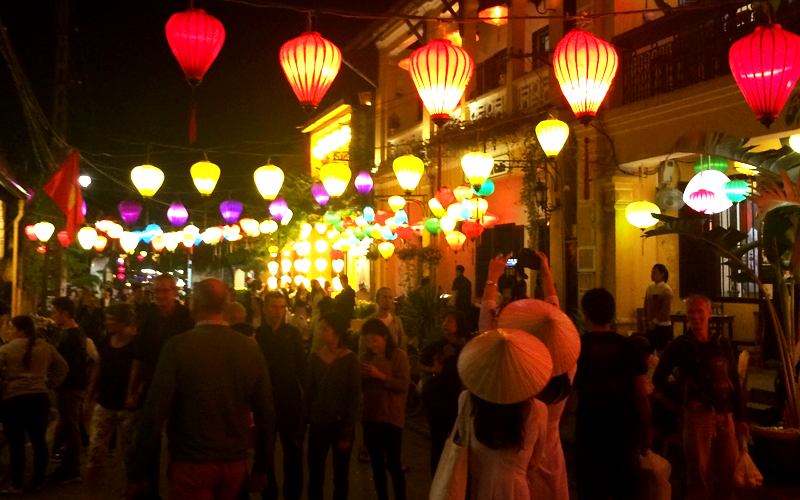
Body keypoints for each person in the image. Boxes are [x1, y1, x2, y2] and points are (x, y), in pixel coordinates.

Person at [127, 278, 276, 500]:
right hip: (234, 460)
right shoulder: (249, 348)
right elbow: (266, 413)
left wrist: (137, 470)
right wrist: (261, 466)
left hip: (191, 460)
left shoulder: (178, 347)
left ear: (194, 305)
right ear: (225, 306)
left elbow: (154, 412)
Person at [484, 252, 578, 500]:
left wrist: (493, 278)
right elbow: (554, 315)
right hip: (552, 453)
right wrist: (546, 273)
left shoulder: (524, 371)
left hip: (521, 455)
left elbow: (485, 332)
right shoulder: (567, 366)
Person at [653, 295, 746, 500]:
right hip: (698, 417)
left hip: (725, 414)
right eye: (691, 312)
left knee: (727, 472)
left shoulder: (721, 343)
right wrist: (684, 400)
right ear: (686, 316)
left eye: (700, 311)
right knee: (698, 476)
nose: (696, 317)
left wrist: (740, 417)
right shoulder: (680, 345)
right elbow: (659, 378)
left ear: (709, 314)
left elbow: (733, 380)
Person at [449, 329, 551, 499]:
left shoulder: (466, 400)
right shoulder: (537, 409)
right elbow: (535, 461)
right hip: (515, 490)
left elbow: (464, 443)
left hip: (477, 488)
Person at [574, 288, 651, 500]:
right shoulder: (628, 346)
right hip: (624, 432)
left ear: (586, 312)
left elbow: (568, 394)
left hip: (590, 433)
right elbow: (640, 394)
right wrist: (645, 431)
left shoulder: (577, 347)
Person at [126, 274, 194, 499]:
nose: (161, 296)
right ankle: (149, 489)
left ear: (175, 292)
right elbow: (139, 356)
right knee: (149, 441)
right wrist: (132, 390)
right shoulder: (148, 318)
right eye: (157, 291)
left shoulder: (187, 318)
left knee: (181, 441)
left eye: (165, 291)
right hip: (153, 384)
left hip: (181, 388)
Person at [0, 316, 68, 494]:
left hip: (14, 399)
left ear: (20, 331)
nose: (8, 331)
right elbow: (63, 366)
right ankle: (37, 481)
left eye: (11, 328)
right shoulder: (45, 346)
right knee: (38, 440)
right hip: (39, 397)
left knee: (16, 443)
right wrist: (51, 383)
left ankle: (16, 484)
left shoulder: (7, 348)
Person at [83, 303, 140, 500]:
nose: (106, 322)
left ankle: (128, 490)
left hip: (127, 406)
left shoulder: (136, 343)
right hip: (105, 402)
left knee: (128, 452)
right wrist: (88, 398)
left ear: (122, 321)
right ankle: (91, 493)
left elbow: (143, 372)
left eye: (110, 319)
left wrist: (135, 395)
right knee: (95, 450)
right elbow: (98, 368)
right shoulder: (105, 340)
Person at [255, 291, 306, 500]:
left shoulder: (292, 333)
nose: (278, 311)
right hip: (264, 401)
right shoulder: (258, 335)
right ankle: (269, 494)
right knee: (265, 453)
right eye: (274, 307)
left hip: (290, 401)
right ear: (265, 309)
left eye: (282, 307)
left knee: (293, 453)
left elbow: (302, 367)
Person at [304, 313, 360, 500]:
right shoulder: (315, 358)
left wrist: (347, 432)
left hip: (340, 424)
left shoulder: (350, 359)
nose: (320, 332)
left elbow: (353, 397)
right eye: (320, 328)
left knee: (341, 474)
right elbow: (309, 395)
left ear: (335, 332)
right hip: (318, 423)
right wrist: (301, 427)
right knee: (315, 474)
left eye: (324, 328)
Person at [360, 318, 410, 500]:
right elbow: (361, 387)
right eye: (367, 341)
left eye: (374, 340)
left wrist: (380, 376)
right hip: (370, 416)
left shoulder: (398, 356)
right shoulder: (366, 358)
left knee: (394, 463)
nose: (371, 344)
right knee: (376, 464)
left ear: (384, 337)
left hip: (391, 417)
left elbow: (404, 384)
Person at [49, 296, 91, 484]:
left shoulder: (72, 336)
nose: (52, 315)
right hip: (73, 384)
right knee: (69, 424)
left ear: (64, 313)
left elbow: (68, 364)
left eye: (55, 312)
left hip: (71, 386)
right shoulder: (76, 333)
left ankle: (72, 467)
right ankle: (68, 464)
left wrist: (56, 380)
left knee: (70, 425)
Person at [418, 310, 466, 475]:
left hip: (458, 403)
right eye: (444, 320)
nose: (446, 323)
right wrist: (433, 369)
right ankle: (437, 479)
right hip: (437, 402)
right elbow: (418, 365)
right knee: (437, 444)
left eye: (451, 321)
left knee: (459, 444)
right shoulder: (435, 346)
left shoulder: (465, 347)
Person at [644, 264, 674, 352]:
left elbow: (665, 309)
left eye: (655, 273)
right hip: (650, 325)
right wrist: (645, 319)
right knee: (649, 350)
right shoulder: (649, 288)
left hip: (662, 326)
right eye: (651, 273)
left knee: (661, 351)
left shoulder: (666, 289)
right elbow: (645, 305)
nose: (652, 275)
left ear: (662, 274)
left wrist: (654, 322)